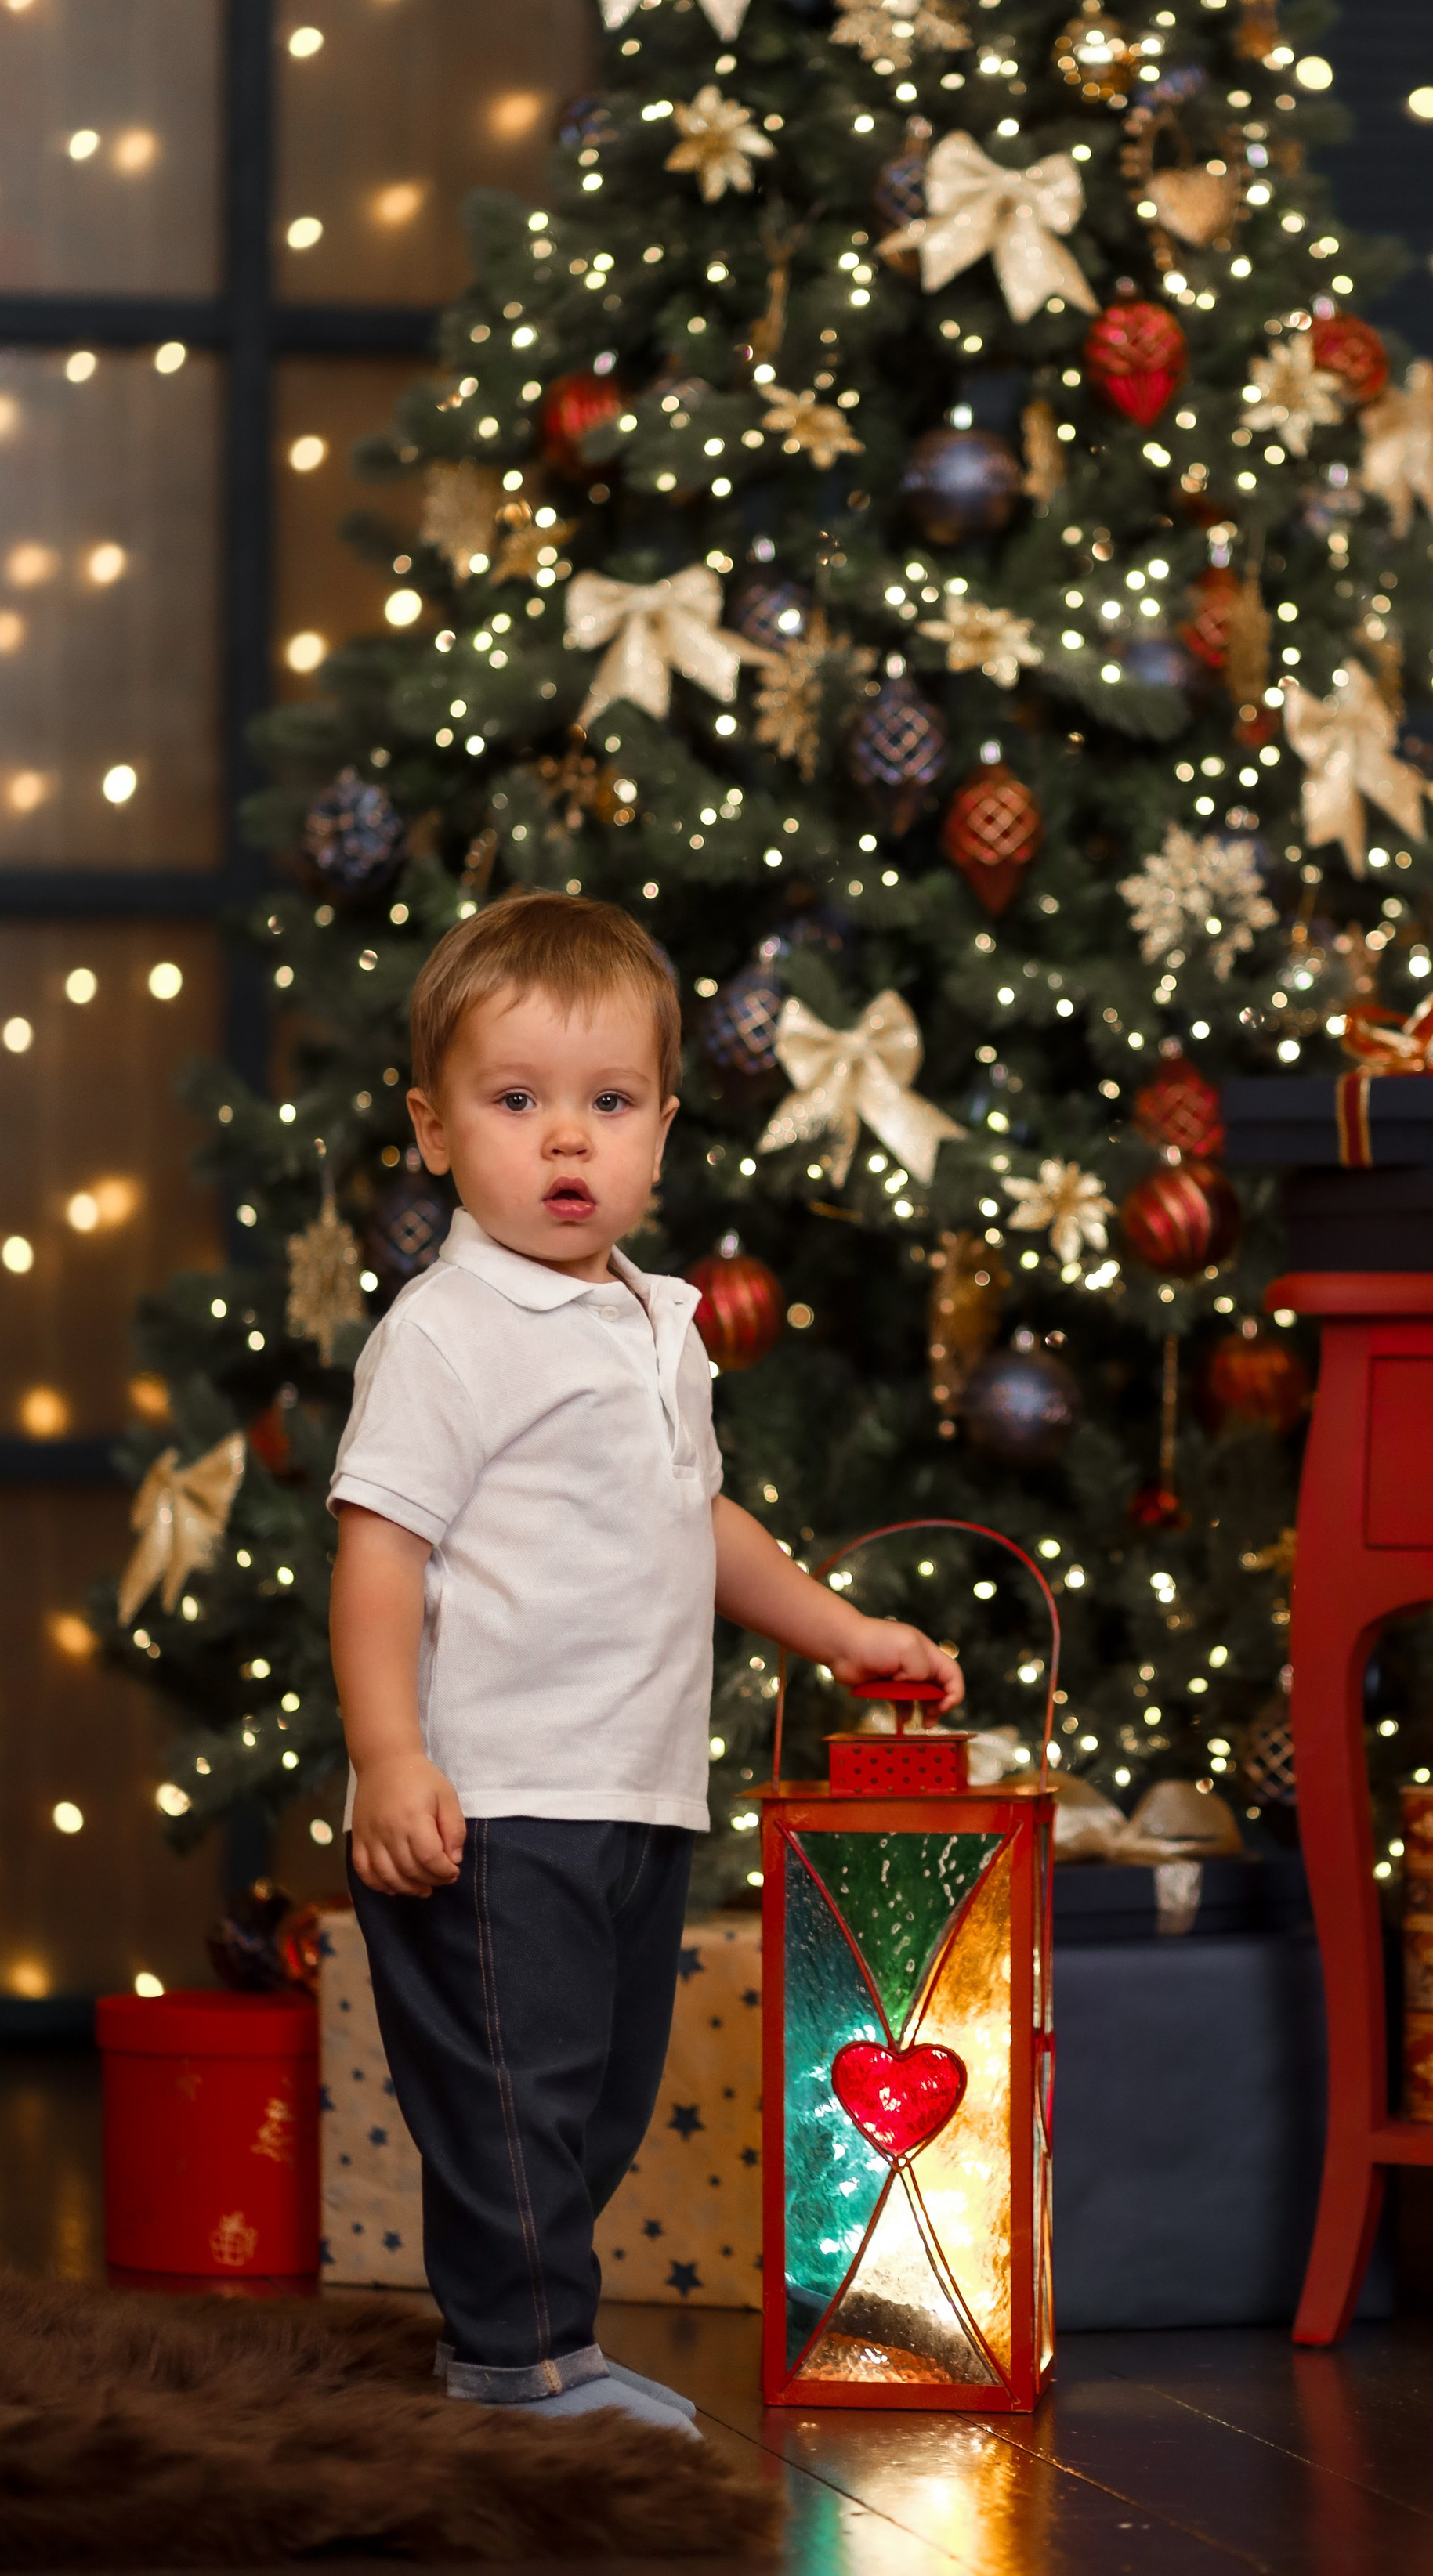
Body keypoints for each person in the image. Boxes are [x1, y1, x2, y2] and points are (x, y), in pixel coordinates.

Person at [328, 890, 961, 2430]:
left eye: (606, 1106)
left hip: (633, 1789)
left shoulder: (652, 1323)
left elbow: (703, 1524)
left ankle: (540, 2345)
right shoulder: (447, 1333)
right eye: (516, 1102)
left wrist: (842, 1629)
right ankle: (516, 2362)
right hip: (491, 1796)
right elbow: (375, 1556)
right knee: (510, 2100)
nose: (566, 1143)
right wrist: (392, 1757)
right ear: (432, 1129)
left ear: (661, 1132)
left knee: (600, 2095)